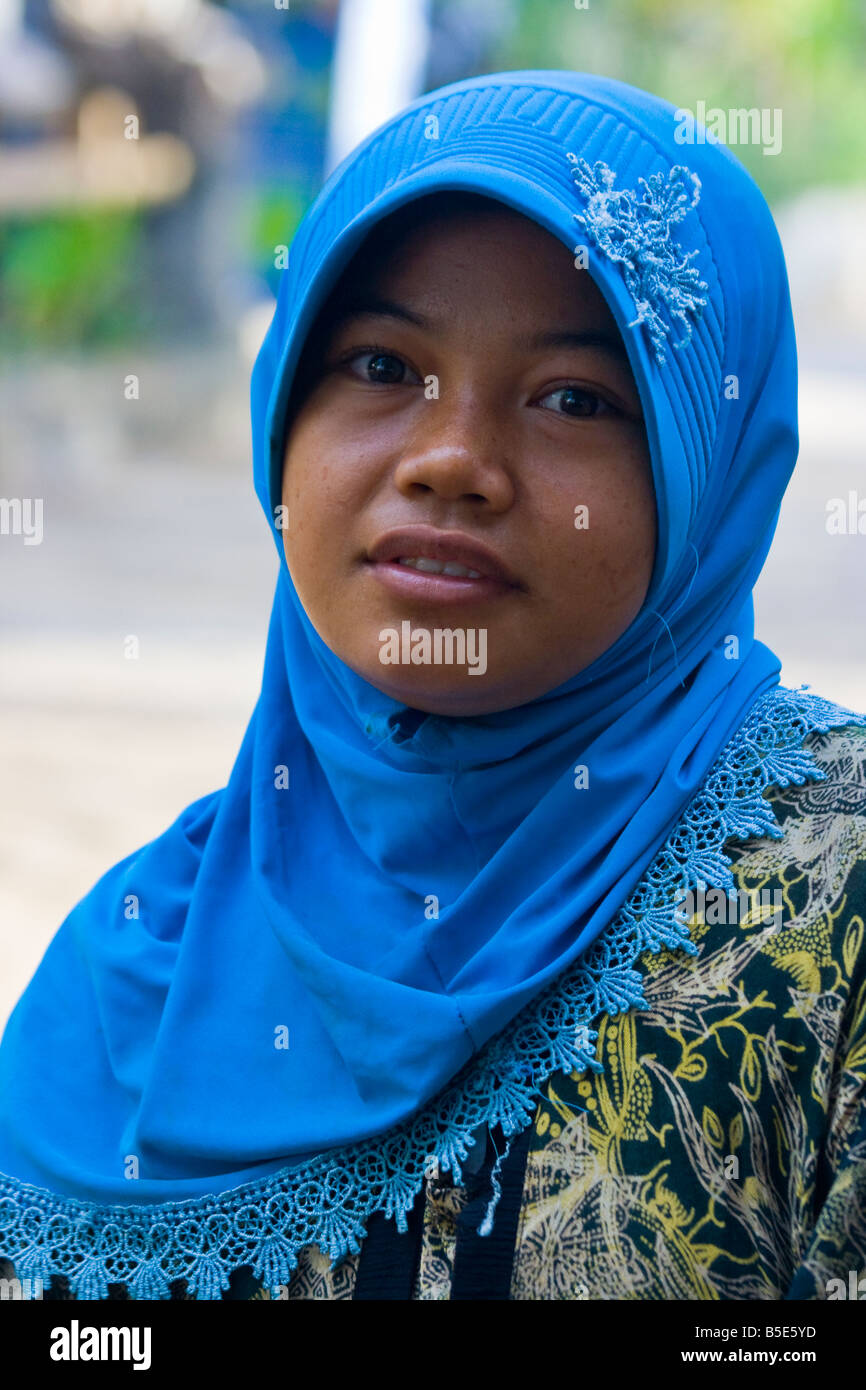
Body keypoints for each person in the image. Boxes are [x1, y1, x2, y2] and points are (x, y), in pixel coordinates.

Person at [1, 68, 864, 1303]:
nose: (451, 458)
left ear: (707, 472)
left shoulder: (827, 903)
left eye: (574, 396)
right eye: (377, 364)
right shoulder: (129, 960)